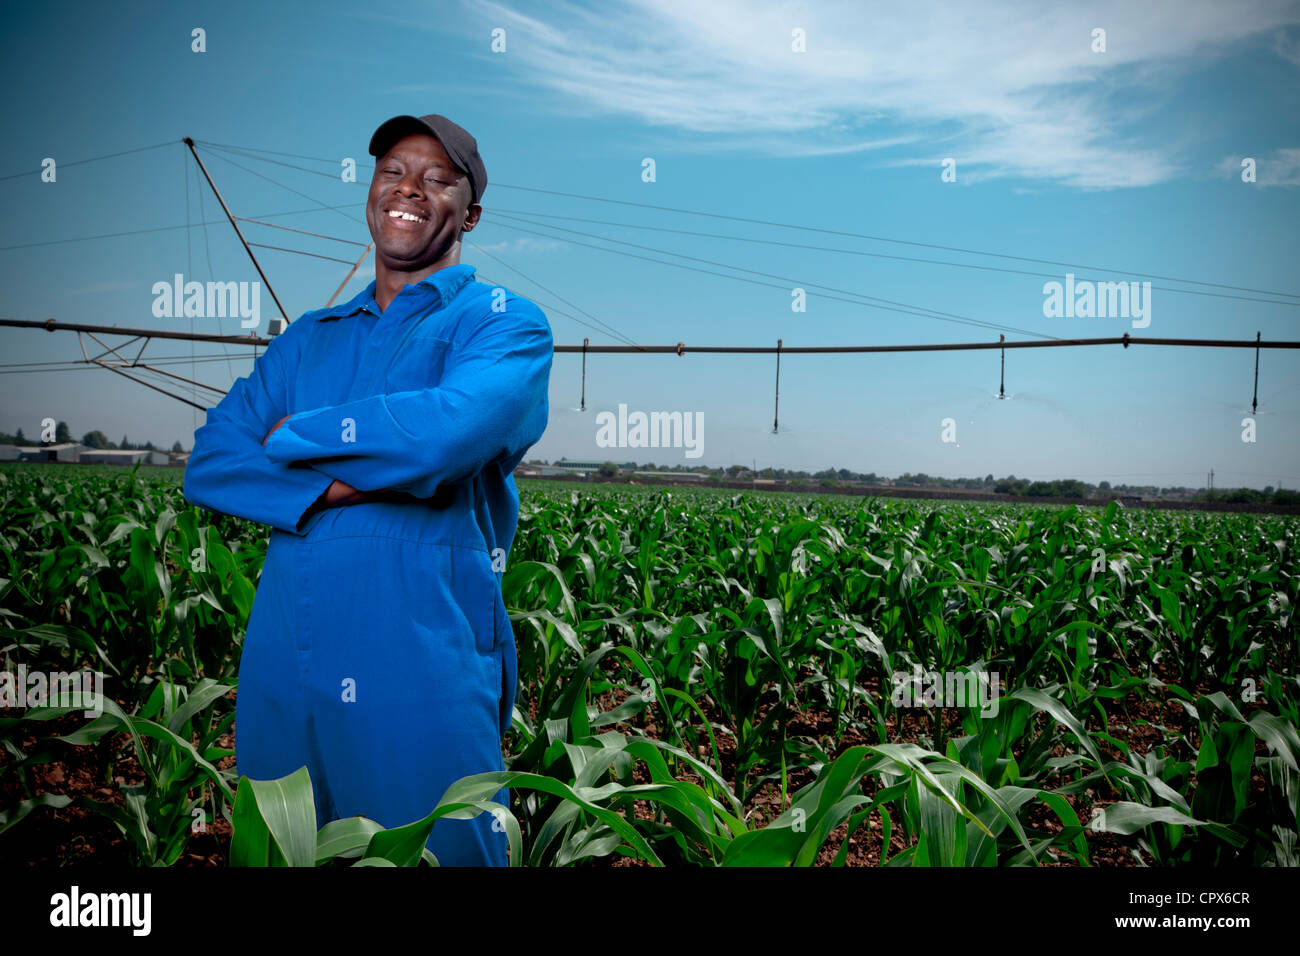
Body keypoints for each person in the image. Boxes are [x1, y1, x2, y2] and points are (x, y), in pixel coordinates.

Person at [183, 113, 552, 866]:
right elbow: (214, 461)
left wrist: (290, 436)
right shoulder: (308, 338)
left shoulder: (505, 325)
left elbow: (446, 434)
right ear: (372, 190)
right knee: (284, 849)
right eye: (393, 171)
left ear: (471, 214)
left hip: (421, 660)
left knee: (443, 848)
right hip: (287, 656)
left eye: (438, 178)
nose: (409, 188)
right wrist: (331, 489)